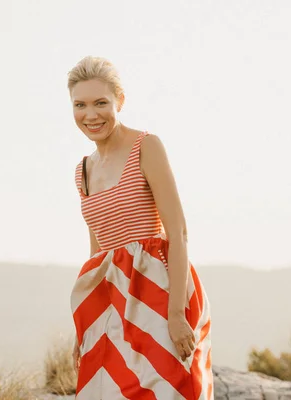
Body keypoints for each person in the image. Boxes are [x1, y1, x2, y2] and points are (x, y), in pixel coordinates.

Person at [68, 56, 213, 400]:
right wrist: (84, 326)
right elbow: (97, 253)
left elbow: (177, 233)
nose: (91, 114)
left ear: (120, 101)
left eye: (101, 102)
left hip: (158, 288)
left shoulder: (146, 146)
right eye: (80, 105)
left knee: (171, 388)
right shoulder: (82, 171)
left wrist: (176, 313)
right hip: (109, 298)